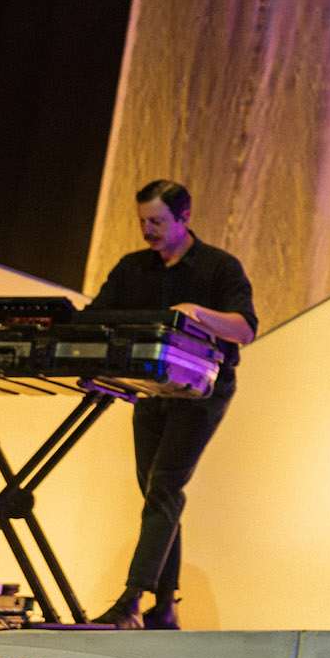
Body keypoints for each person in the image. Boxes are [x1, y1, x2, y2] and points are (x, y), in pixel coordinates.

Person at [87, 180, 257, 629]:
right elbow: (96, 318)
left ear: (184, 218)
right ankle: (164, 606)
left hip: (202, 390)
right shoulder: (133, 268)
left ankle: (132, 600)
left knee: (164, 484)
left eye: (157, 221)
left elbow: (244, 329)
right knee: (155, 490)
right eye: (143, 221)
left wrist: (196, 313)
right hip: (149, 389)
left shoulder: (219, 267)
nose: (148, 230)